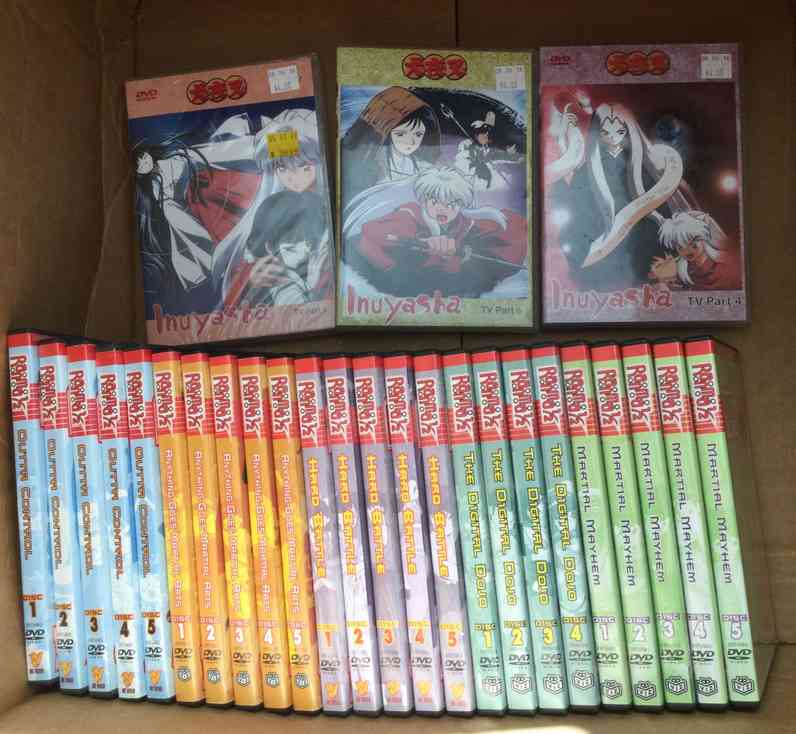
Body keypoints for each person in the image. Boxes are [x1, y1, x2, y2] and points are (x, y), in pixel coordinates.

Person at [545, 101, 697, 290]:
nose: (613, 137)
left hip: (644, 257)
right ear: (598, 133)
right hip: (600, 261)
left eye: (619, 131)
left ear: (629, 131)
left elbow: (661, 214)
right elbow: (574, 213)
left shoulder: (644, 169)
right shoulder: (587, 171)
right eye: (605, 132)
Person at [349, 166, 527, 298]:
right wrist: (423, 242)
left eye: (451, 204)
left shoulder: (465, 224)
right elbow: (372, 231)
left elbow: (516, 234)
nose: (443, 209)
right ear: (424, 200)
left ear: (461, 204)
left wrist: (455, 256)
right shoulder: (410, 213)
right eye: (435, 202)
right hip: (394, 278)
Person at [220, 190, 332, 309]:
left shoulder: (316, 257)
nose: (306, 250)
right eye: (293, 243)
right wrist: (315, 286)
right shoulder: (277, 278)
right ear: (270, 247)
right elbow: (298, 313)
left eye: (307, 239)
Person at [341, 86, 441, 199]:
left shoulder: (425, 168)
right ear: (386, 132)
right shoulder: (369, 167)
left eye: (418, 134)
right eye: (401, 134)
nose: (411, 142)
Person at [651, 211, 741, 290]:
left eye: (693, 244)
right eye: (680, 247)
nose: (687, 250)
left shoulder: (723, 263)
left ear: (702, 238)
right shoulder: (683, 271)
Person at [454, 110, 524, 191]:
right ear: (476, 135)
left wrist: (511, 156)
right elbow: (462, 165)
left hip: (484, 184)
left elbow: (495, 156)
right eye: (484, 134)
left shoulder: (484, 147)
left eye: (487, 134)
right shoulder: (466, 145)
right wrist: (478, 162)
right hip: (469, 183)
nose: (487, 136)